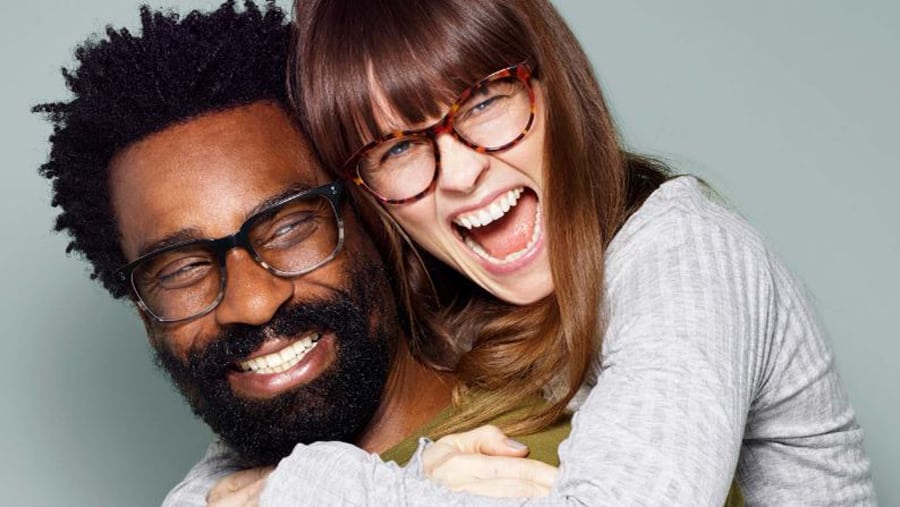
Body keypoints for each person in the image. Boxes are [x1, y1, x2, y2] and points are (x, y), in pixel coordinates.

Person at [199, 0, 874, 505]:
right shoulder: (449, 299)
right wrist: (419, 477)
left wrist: (311, 490)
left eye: (483, 103)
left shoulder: (688, 251)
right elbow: (212, 490)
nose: (462, 173)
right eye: (399, 149)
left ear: (555, 84)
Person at [34, 2, 575, 505]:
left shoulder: (540, 474)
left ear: (370, 211)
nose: (252, 303)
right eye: (183, 269)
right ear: (142, 310)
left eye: (289, 227)